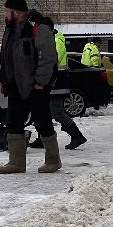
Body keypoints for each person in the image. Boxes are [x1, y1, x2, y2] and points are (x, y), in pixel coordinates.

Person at [0, 0, 60, 174]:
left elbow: (48, 57)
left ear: (16, 12)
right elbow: (7, 58)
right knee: (14, 122)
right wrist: (3, 80)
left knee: (42, 121)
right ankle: (16, 162)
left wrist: (40, 81)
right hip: (16, 85)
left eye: (7, 11)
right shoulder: (10, 29)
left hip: (35, 85)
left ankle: (53, 160)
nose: (5, 15)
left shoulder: (38, 27)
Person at [34, 10, 87, 151]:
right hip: (54, 82)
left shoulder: (56, 41)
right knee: (43, 110)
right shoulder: (52, 39)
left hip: (57, 83)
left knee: (56, 112)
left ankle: (76, 135)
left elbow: (50, 60)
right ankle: (42, 138)